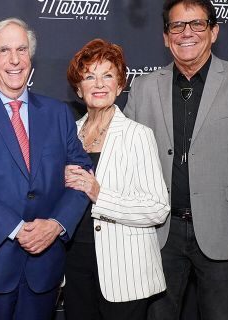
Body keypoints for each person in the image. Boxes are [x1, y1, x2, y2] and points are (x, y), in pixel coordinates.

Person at [124, 0, 228, 319]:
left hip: (225, 232)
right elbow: (125, 159)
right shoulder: (142, 88)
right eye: (177, 26)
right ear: (166, 37)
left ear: (213, 32)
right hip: (160, 235)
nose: (187, 33)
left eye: (197, 24)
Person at [0, 18, 91, 320]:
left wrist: (56, 224)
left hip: (43, 269)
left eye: (22, 50)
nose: (15, 59)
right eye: (4, 51)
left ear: (30, 58)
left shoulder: (57, 113)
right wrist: (16, 229)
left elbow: (81, 177)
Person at [62, 38, 170, 320]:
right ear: (78, 88)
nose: (99, 84)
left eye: (108, 75)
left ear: (120, 85)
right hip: (74, 262)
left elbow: (157, 207)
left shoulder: (138, 135)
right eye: (89, 76)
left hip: (124, 268)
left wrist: (100, 194)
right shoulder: (66, 134)